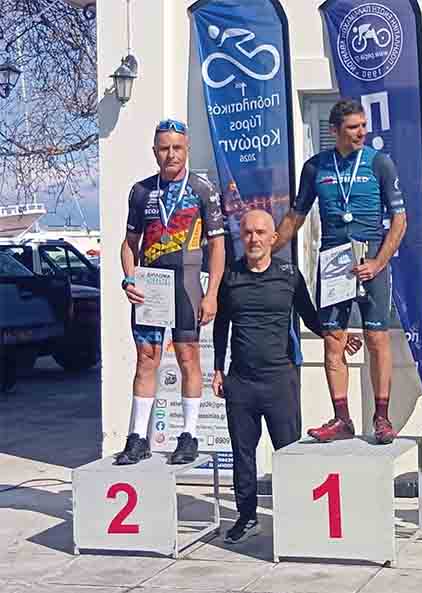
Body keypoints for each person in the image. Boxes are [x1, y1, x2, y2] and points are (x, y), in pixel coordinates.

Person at [213, 209, 361, 544]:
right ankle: (247, 517)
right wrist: (218, 368)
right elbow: (221, 325)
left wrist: (337, 337)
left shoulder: (289, 275)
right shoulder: (230, 276)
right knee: (243, 454)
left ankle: (294, 518)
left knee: (288, 453)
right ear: (241, 236)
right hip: (241, 381)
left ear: (273, 238)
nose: (254, 238)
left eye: (260, 232)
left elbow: (310, 316)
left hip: (280, 380)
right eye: (248, 232)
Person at [272, 99, 407, 445]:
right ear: (334, 130)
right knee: (333, 339)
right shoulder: (315, 167)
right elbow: (296, 216)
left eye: (363, 126)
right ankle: (342, 418)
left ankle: (381, 417)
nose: (361, 132)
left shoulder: (379, 163)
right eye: (353, 127)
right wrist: (265, 250)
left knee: (377, 338)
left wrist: (378, 262)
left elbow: (399, 221)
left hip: (371, 259)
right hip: (333, 260)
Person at [119, 118, 226, 465]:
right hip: (150, 285)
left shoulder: (203, 190)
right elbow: (129, 244)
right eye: (164, 148)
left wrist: (212, 293)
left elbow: (218, 246)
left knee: (188, 357)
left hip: (187, 283)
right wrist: (129, 279)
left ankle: (189, 435)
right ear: (154, 152)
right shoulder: (140, 192)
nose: (171, 155)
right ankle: (137, 437)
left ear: (187, 149)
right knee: (146, 357)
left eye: (177, 148)